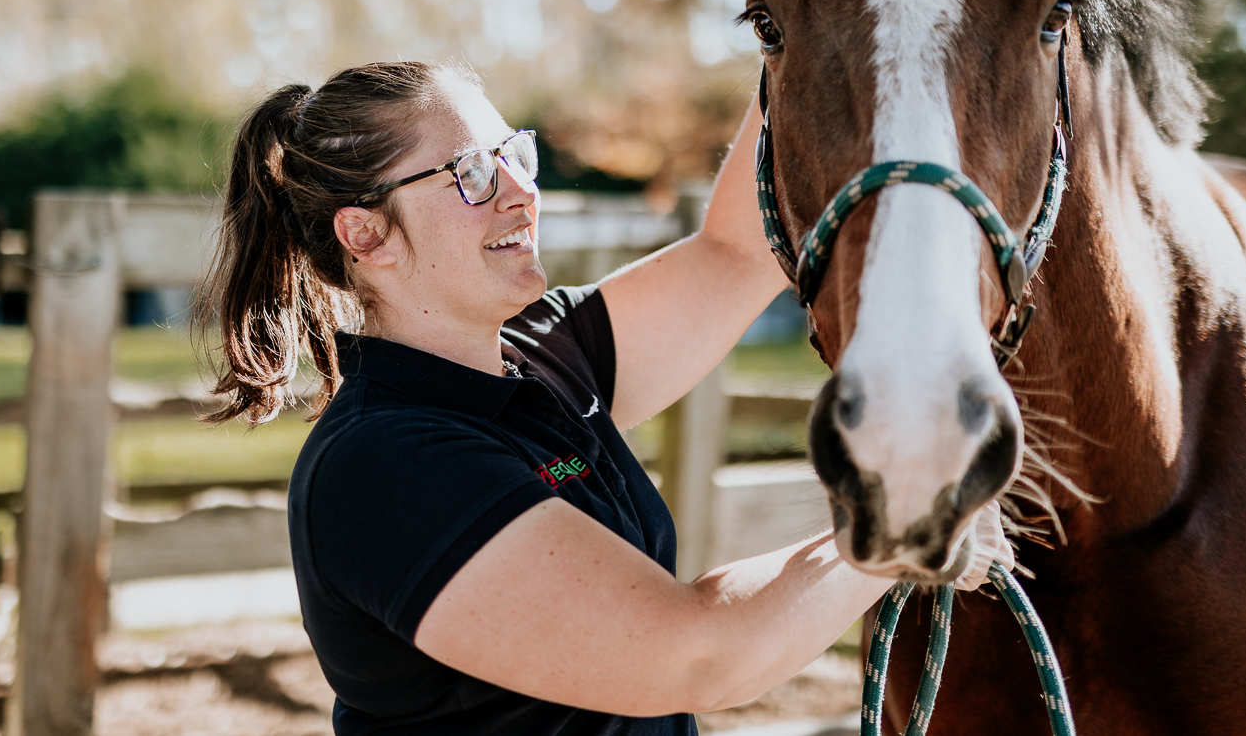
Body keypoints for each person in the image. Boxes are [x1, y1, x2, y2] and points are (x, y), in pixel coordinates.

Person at [203, 60, 1012, 732]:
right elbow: (696, 654)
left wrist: (811, 31)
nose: (521, 190)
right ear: (365, 234)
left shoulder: (544, 355)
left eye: (516, 153)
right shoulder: (383, 464)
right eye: (474, 174)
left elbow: (736, 252)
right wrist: (906, 521)